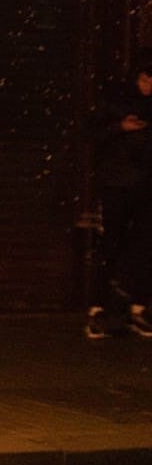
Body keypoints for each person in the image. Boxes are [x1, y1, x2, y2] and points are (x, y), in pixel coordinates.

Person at [88, 60, 152, 338]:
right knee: (111, 244)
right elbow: (93, 134)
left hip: (143, 185)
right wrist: (119, 128)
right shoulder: (115, 102)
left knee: (143, 246)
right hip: (117, 184)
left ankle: (138, 307)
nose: (149, 87)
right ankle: (99, 307)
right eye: (146, 80)